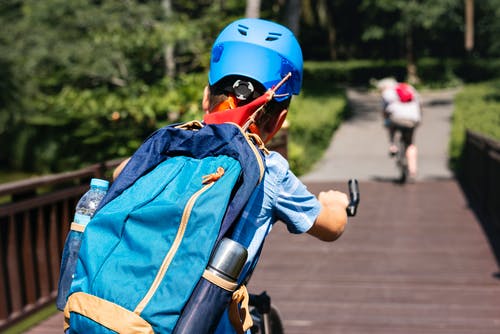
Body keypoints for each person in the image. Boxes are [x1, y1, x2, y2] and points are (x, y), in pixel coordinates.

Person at [114, 18, 349, 333]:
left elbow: (120, 174)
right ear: (280, 119)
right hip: (205, 322)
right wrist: (336, 204)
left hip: (124, 311)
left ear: (204, 97)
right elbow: (330, 228)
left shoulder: (171, 145)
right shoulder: (271, 171)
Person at [377, 77, 422, 181]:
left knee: (390, 125)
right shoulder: (409, 87)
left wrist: (385, 120)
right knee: (410, 144)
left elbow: (384, 111)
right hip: (412, 119)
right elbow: (419, 104)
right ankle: (413, 170)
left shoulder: (387, 92)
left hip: (396, 119)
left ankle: (393, 146)